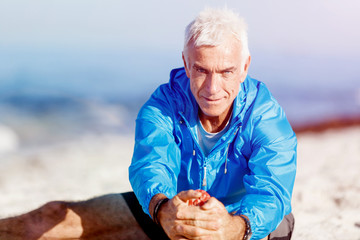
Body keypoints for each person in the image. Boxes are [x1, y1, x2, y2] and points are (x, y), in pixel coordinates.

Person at [0, 7, 296, 240]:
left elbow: (272, 191)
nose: (212, 88)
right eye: (201, 70)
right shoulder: (162, 106)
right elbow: (151, 165)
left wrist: (233, 227)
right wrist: (162, 207)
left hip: (249, 225)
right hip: (170, 210)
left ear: (245, 67)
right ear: (185, 62)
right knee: (51, 218)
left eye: (226, 71)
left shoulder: (266, 116)